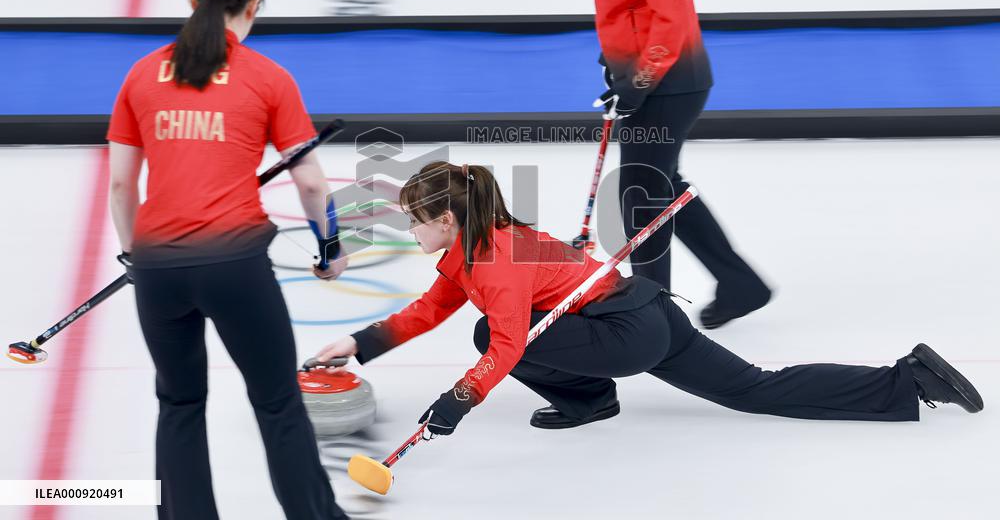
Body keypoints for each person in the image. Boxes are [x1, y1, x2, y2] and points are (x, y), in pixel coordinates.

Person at [313, 162, 982, 436]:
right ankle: (906, 381)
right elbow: (430, 308)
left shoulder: (495, 264)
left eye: (415, 219)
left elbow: (510, 344)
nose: (410, 229)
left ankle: (590, 398)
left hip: (624, 333)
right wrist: (361, 344)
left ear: (449, 222)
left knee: (490, 338)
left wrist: (456, 403)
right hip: (645, 312)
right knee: (754, 388)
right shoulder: (474, 246)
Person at [107, 0, 349, 520]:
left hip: (158, 271)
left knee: (179, 402)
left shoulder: (142, 74)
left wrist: (133, 255)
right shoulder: (268, 77)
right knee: (277, 404)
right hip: (235, 266)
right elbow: (312, 185)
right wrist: (330, 248)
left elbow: (122, 187)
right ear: (255, 5)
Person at [563, 0, 771, 328]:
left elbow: (671, 16)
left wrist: (638, 80)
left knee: (640, 195)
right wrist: (615, 59)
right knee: (660, 186)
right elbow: (628, 0)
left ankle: (652, 318)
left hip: (668, 78)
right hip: (651, 72)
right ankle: (740, 283)